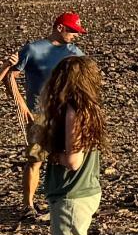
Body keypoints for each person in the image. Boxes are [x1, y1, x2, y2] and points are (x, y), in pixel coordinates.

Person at [12, 55, 108, 235]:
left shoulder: (73, 112)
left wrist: (46, 149)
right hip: (84, 191)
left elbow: (73, 160)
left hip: (72, 194)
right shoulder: (88, 109)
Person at [3, 14, 86, 218]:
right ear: (60, 27)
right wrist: (20, 102)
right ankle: (28, 204)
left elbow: (86, 76)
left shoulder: (74, 53)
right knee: (35, 158)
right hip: (38, 114)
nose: (76, 35)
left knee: (66, 157)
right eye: (73, 31)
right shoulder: (33, 49)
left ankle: (61, 198)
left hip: (64, 115)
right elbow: (10, 75)